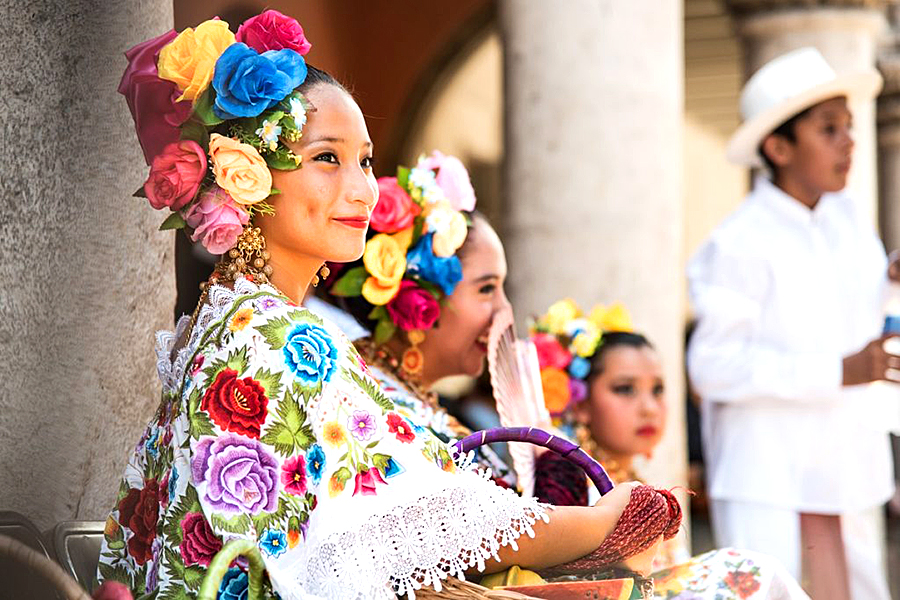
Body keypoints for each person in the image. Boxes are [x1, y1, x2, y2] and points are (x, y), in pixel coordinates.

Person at [98, 12, 678, 600]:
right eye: (327, 157)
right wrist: (602, 520)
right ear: (246, 176)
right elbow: (429, 520)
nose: (361, 188)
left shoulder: (231, 316)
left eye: (366, 160)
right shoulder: (275, 334)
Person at [687, 46, 900, 600]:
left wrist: (893, 280)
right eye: (829, 129)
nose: (849, 141)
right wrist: (838, 370)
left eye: (849, 126)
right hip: (768, 475)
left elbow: (862, 314)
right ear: (779, 147)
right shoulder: (738, 243)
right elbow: (712, 368)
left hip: (846, 464)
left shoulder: (848, 219)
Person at [527, 298, 810, 599]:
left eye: (658, 390)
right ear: (581, 403)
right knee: (745, 570)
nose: (649, 408)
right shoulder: (565, 474)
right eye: (625, 389)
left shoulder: (634, 479)